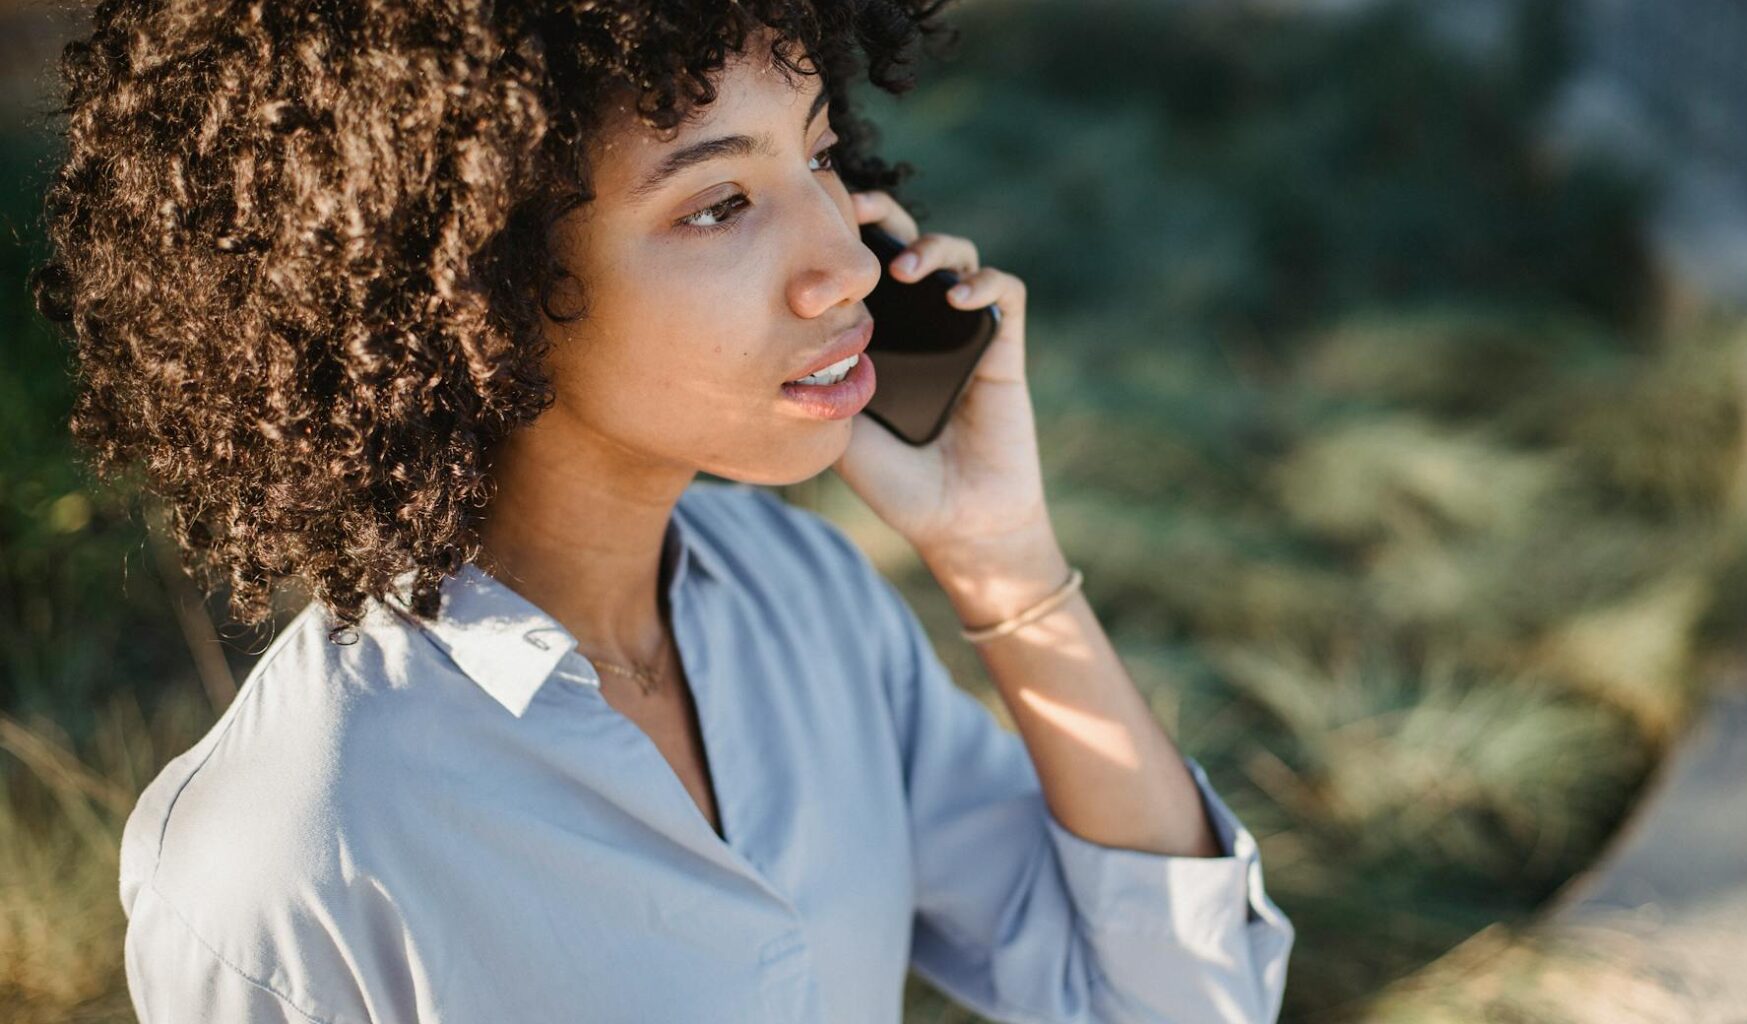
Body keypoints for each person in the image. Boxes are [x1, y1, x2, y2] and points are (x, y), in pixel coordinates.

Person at [32, 1, 1295, 1021]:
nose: (849, 262)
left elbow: (1177, 998)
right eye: (718, 204)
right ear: (471, 293)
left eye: (814, 154)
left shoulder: (807, 606)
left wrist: (1003, 560)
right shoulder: (294, 855)